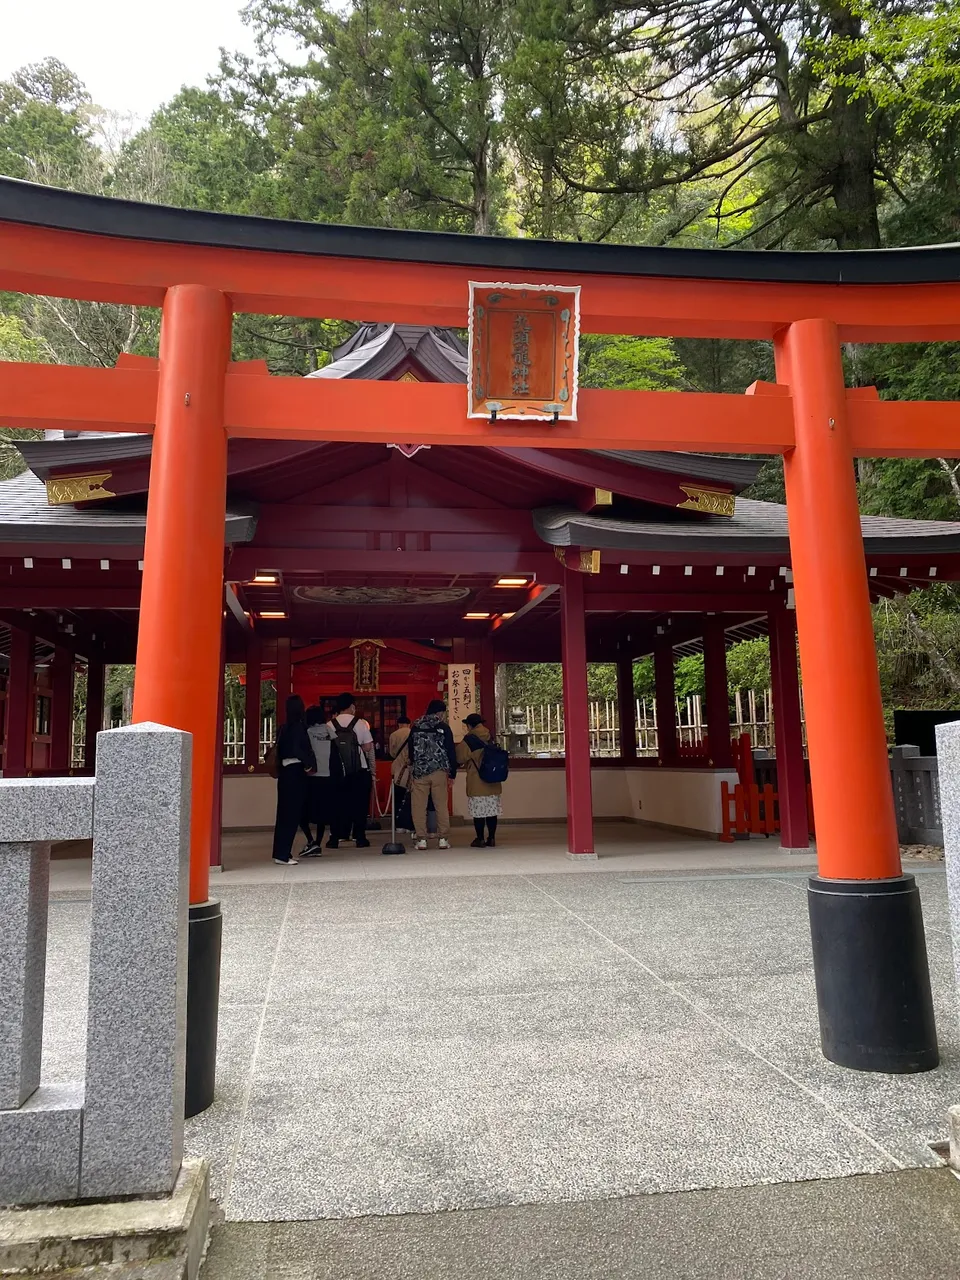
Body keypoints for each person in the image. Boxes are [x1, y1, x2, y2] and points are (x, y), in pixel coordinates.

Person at [408, 699, 458, 851]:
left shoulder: (415, 727)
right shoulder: (443, 727)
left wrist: (413, 765)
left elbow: (411, 750)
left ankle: (421, 839)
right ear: (440, 712)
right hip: (439, 771)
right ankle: (443, 838)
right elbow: (451, 751)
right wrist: (452, 773)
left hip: (420, 772)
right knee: (441, 805)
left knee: (418, 806)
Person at [327, 693, 376, 849]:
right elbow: (368, 746)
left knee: (336, 805)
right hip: (358, 770)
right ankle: (360, 837)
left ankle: (335, 837)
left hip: (336, 772)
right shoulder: (360, 723)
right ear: (351, 706)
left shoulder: (329, 725)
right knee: (360, 805)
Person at [271, 695, 314, 866]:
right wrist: (309, 764)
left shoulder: (283, 728)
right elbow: (299, 749)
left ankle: (280, 852)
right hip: (296, 772)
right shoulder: (299, 727)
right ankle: (283, 855)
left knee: (283, 814)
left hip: (284, 772)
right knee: (292, 814)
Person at [456, 713, 503, 848]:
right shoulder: (490, 736)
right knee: (492, 811)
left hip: (477, 780)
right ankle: (492, 838)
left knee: (479, 812)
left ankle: (480, 839)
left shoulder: (469, 739)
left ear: (469, 725)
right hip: (493, 779)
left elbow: (459, 757)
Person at [300, 704, 341, 856]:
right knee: (322, 813)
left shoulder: (308, 732)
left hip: (312, 776)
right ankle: (317, 841)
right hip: (328, 776)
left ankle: (311, 841)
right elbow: (337, 751)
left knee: (304, 810)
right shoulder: (329, 730)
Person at [389, 715, 413, 833]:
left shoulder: (393, 735)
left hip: (398, 769)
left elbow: (392, 753)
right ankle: (409, 824)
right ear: (409, 724)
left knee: (397, 798)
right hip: (410, 769)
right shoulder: (413, 733)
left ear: (398, 724)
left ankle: (398, 824)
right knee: (411, 799)